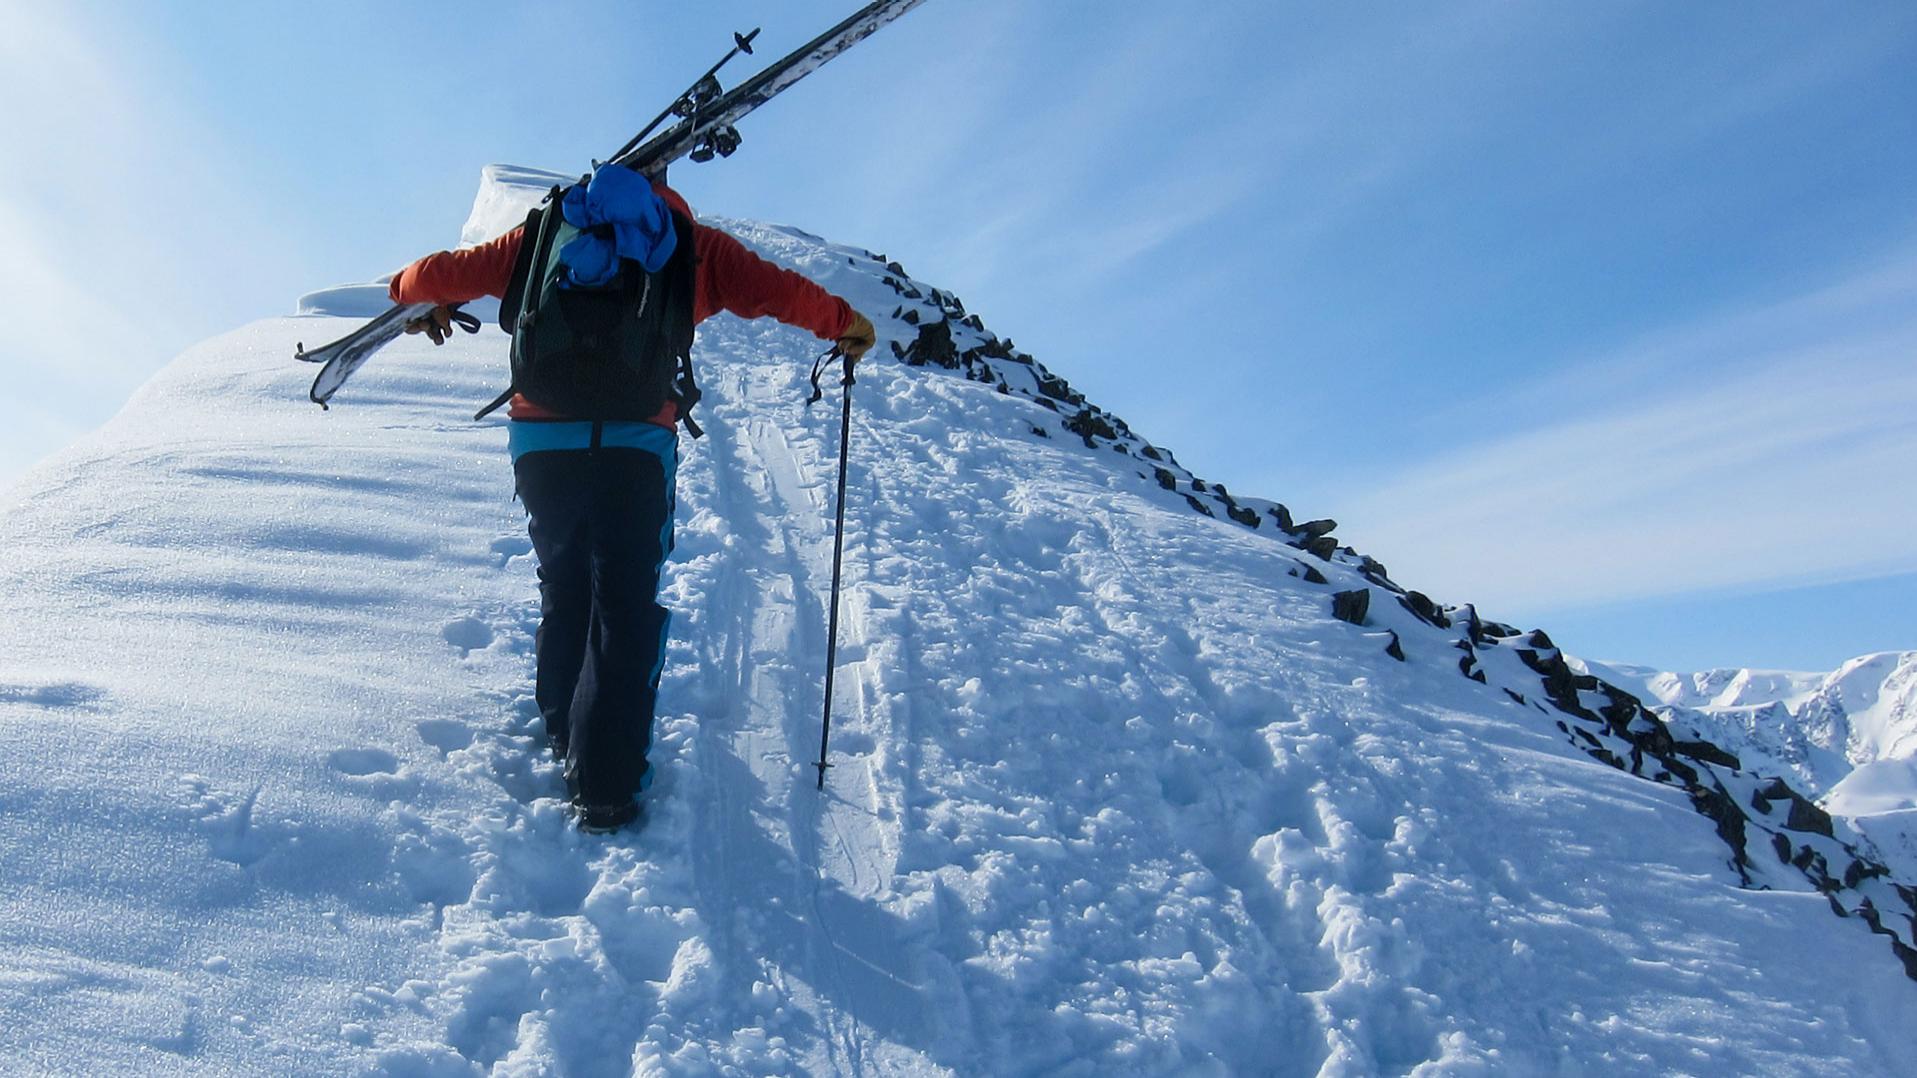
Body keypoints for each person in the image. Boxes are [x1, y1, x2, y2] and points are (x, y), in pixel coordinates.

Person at [390, 165, 876, 832]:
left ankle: (566, 738)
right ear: (665, 185)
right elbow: (779, 293)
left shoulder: (546, 233)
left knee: (564, 586)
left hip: (542, 440)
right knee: (622, 598)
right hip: (635, 443)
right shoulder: (690, 241)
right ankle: (606, 785)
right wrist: (845, 323)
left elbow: (434, 276)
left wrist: (410, 292)